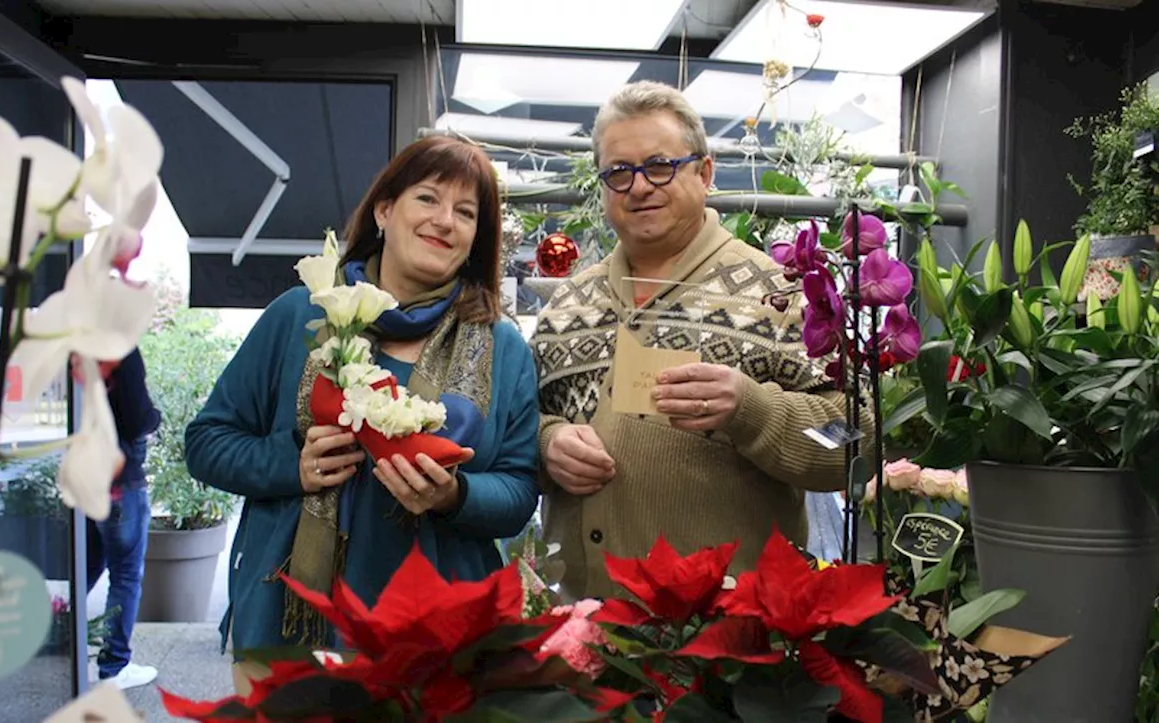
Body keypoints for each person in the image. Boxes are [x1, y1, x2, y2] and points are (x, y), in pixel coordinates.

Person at [185, 135, 541, 695]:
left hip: (442, 636)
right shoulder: (300, 315)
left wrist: (455, 497)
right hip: (289, 625)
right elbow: (207, 442)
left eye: (466, 212)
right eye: (427, 198)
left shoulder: (502, 347)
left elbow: (520, 491)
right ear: (384, 210)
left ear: (477, 238)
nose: (445, 221)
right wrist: (291, 465)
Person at [531, 80, 874, 600]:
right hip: (578, 633)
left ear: (705, 172)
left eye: (660, 166)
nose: (639, 186)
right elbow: (514, 424)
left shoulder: (781, 295)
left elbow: (857, 438)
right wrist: (546, 442)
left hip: (725, 645)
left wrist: (753, 411)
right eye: (619, 173)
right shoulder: (567, 303)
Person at [84, 347, 161, 690]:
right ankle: (114, 667)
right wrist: (154, 418)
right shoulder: (119, 349)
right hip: (120, 480)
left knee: (84, 570)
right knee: (126, 576)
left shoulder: (77, 347)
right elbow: (136, 416)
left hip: (86, 476)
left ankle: (57, 652)